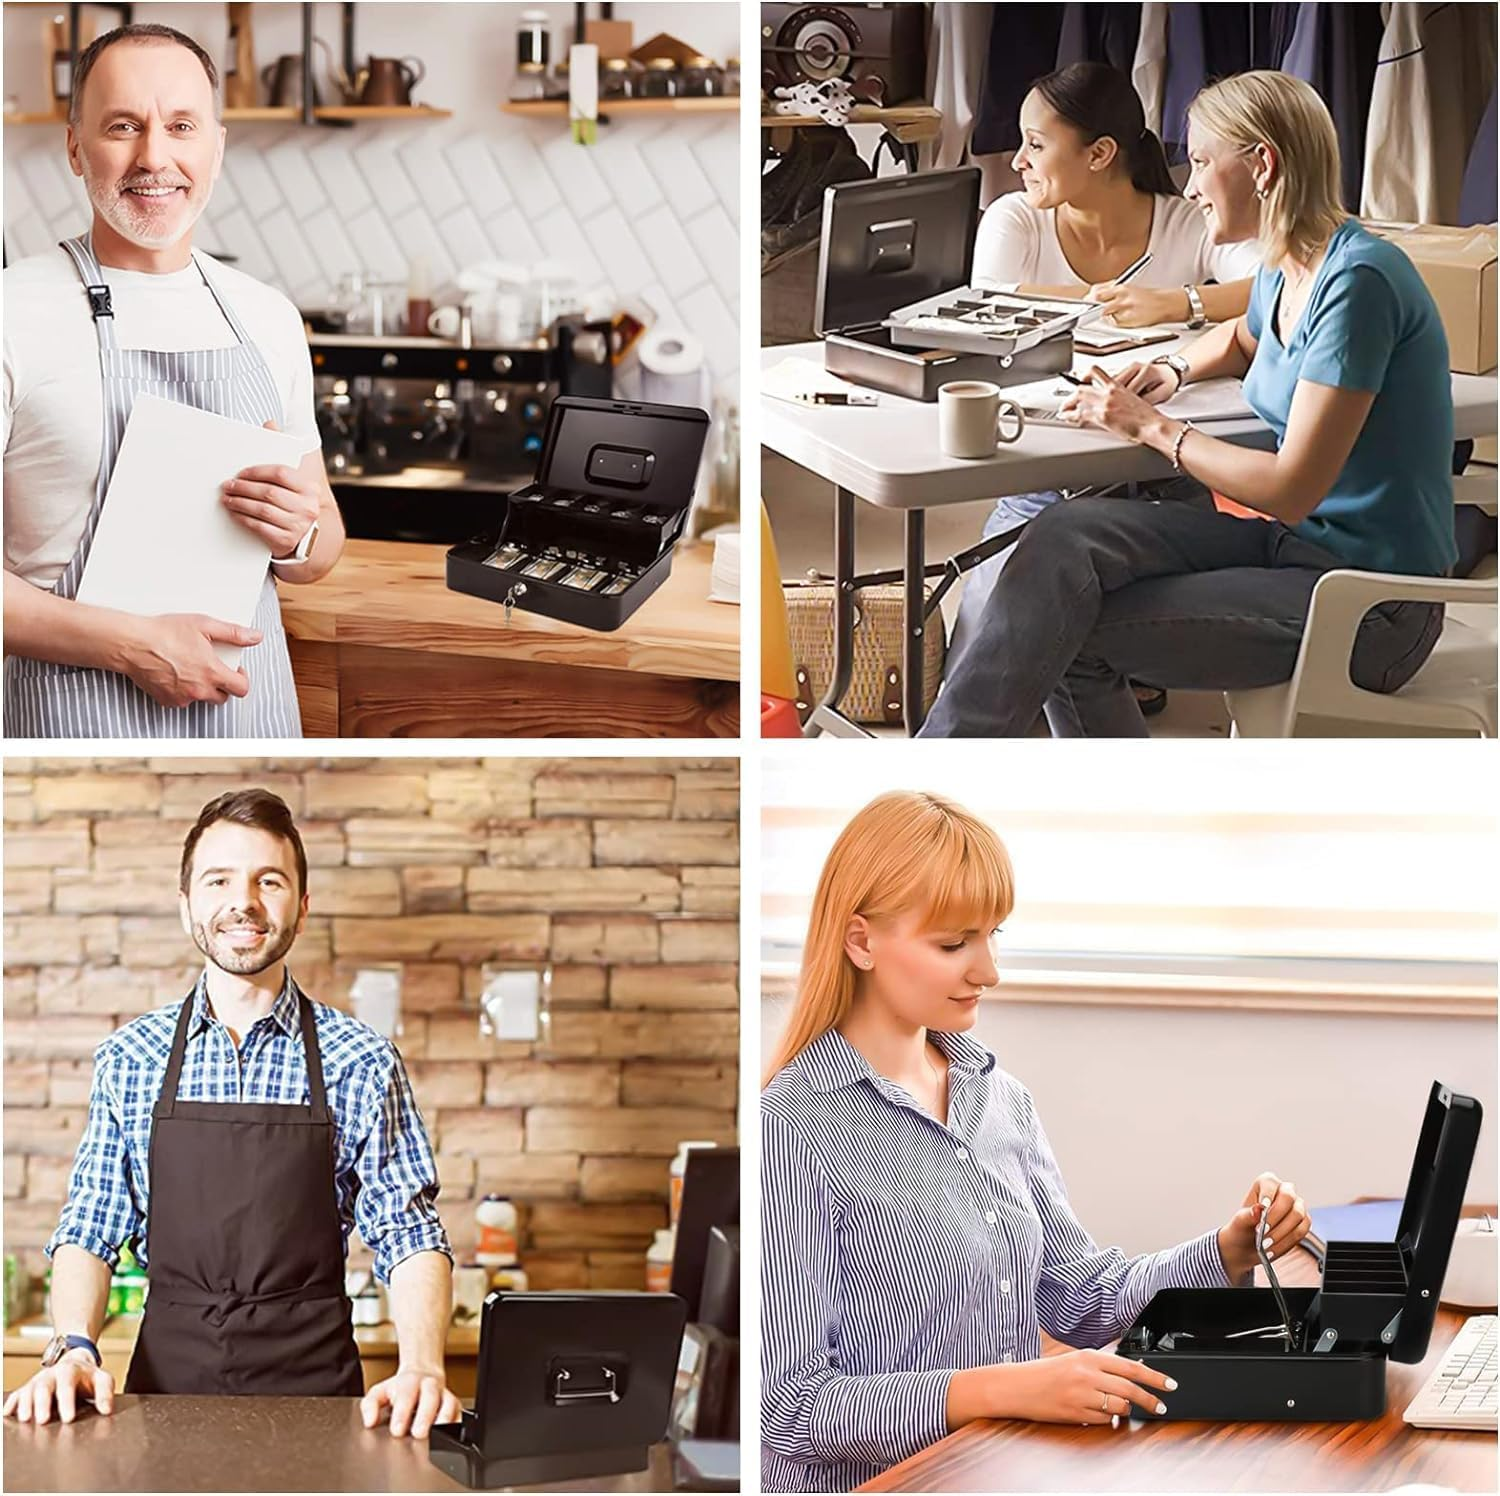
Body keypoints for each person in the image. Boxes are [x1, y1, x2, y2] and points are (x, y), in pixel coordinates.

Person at [761, 792, 1310, 1492]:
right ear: (861, 941)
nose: (988, 970)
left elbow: (1082, 1300)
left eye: (993, 936)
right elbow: (788, 1408)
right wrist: (1006, 1390)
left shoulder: (1000, 1099)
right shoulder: (793, 1131)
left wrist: (1227, 1248)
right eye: (954, 944)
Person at [924, 70, 1455, 737]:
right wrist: (1170, 368)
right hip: (1295, 550)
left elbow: (1289, 489)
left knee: (1064, 630)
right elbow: (1241, 337)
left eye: (1203, 162)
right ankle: (942, 767)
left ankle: (942, 773)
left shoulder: (1358, 284)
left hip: (1369, 602)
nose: (1193, 184)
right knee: (1059, 533)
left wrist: (1152, 426)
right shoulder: (1291, 262)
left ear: (1261, 164)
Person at [3, 789, 458, 1438]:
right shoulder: (132, 1056)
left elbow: (408, 1231)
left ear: (301, 909)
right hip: (164, 1400)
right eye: (218, 880)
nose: (243, 901)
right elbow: (92, 1221)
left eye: (268, 880)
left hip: (319, 1407)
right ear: (187, 903)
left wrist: (423, 1367)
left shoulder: (362, 1060)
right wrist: (73, 1346)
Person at [2, 23, 344, 737]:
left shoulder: (267, 317)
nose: (154, 157)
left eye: (181, 125)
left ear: (215, 148)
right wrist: (133, 646)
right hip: (73, 723)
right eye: (123, 126)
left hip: (250, 712)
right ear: (74, 147)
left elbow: (323, 541)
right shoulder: (14, 312)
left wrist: (299, 538)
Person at [952, 62, 1260, 713]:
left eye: (1037, 144)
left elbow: (1278, 284)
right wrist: (1100, 301)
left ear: (1099, 153)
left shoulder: (1188, 222)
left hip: (1162, 480)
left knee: (1060, 650)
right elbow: (985, 306)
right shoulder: (1017, 219)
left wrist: (1178, 303)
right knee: (973, 668)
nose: (1017, 161)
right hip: (1043, 479)